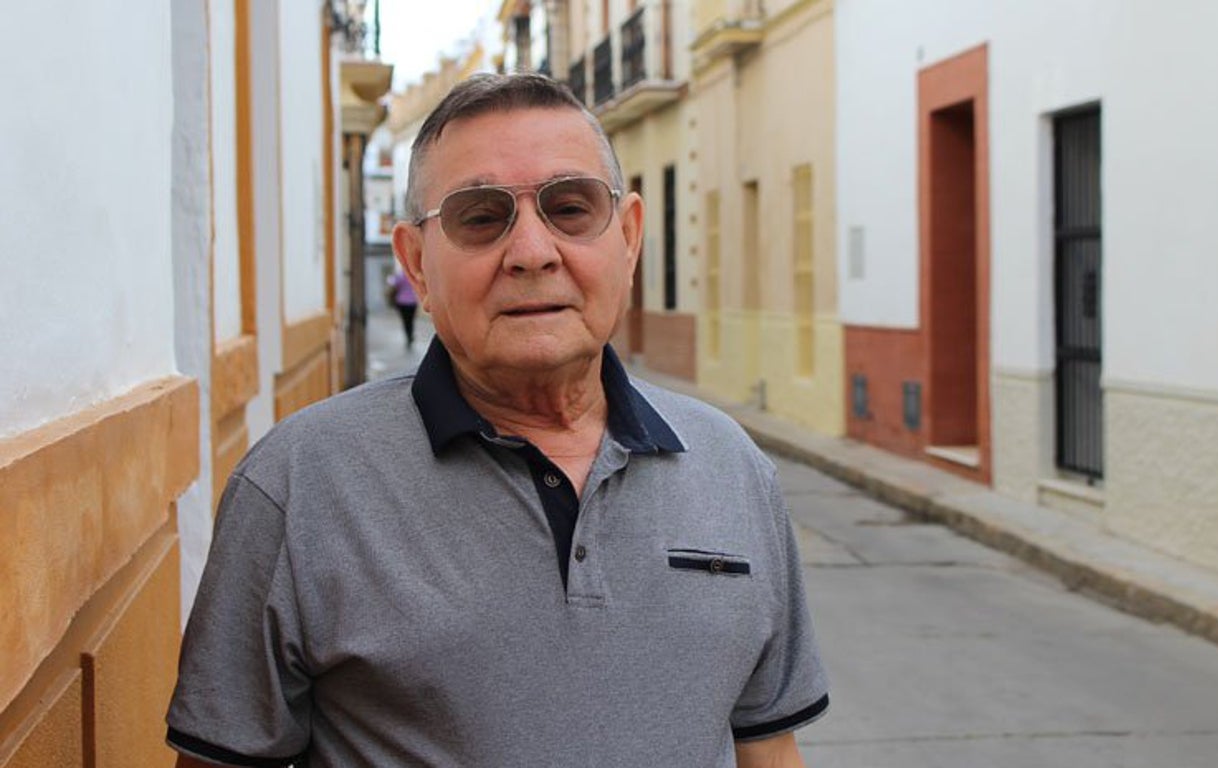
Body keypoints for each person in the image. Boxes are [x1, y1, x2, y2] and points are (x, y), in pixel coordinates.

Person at [165, 72, 829, 768]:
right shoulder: (297, 485)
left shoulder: (732, 466)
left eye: (570, 208)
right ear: (417, 264)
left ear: (628, 238)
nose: (533, 252)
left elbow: (768, 746)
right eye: (481, 217)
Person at [387, 264, 420, 348]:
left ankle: (408, 336)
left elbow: (392, 283)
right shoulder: (413, 275)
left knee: (405, 321)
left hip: (402, 302)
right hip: (412, 301)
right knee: (411, 320)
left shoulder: (400, 276)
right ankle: (411, 334)